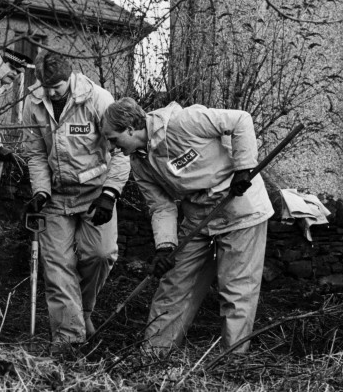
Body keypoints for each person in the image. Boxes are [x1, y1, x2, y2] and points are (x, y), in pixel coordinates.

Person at [101, 98, 274, 354]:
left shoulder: (183, 122)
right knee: (174, 283)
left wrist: (243, 168)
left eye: (113, 139)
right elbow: (162, 207)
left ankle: (234, 361)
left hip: (240, 208)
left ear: (130, 128)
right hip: (197, 216)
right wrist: (164, 247)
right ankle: (153, 355)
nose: (112, 146)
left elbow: (241, 120)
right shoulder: (139, 162)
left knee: (236, 290)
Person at [22, 52, 129, 354]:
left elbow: (121, 153)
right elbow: (35, 154)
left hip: (95, 192)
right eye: (45, 85)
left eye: (56, 86)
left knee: (100, 253)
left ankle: (84, 312)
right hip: (56, 196)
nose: (50, 92)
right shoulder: (32, 103)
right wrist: (40, 191)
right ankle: (69, 341)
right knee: (58, 267)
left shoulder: (98, 99)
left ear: (70, 77)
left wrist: (110, 194)